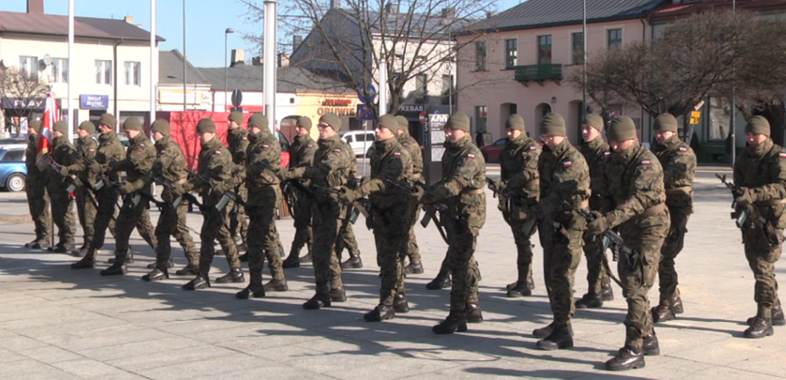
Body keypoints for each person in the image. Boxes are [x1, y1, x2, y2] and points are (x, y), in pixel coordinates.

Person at [586, 115, 669, 371]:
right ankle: (648, 337)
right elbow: (610, 194)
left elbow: (638, 200)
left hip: (650, 226)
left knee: (635, 286)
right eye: (611, 142)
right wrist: (600, 214)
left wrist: (609, 220)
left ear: (632, 139)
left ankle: (634, 348)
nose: (613, 147)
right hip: (628, 226)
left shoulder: (647, 163)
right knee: (631, 282)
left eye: (618, 142)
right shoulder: (612, 161)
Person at [340, 115, 413, 321]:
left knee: (390, 258)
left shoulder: (399, 154)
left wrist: (358, 192)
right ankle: (399, 297)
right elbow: (374, 178)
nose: (377, 130)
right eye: (377, 127)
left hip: (397, 212)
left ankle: (386, 304)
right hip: (381, 210)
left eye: (382, 128)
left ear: (392, 131)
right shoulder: (377, 151)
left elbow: (385, 181)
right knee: (387, 258)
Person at [279, 113, 354, 309]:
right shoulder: (322, 149)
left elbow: (321, 170)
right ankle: (334, 288)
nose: (321, 129)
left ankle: (324, 292)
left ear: (335, 129)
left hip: (333, 205)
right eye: (320, 125)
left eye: (325, 126)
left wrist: (292, 173)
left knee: (323, 249)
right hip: (320, 203)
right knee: (325, 249)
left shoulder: (339, 150)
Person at [420, 112, 485, 334]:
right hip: (454, 210)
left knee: (459, 261)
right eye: (446, 129)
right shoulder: (452, 150)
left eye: (452, 130)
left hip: (469, 213)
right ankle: (471, 305)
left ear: (465, 131)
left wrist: (427, 196)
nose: (448, 132)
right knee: (464, 259)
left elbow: (456, 183)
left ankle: (457, 314)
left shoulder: (471, 155)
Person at [530, 113, 590, 350]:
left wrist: (537, 210)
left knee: (563, 276)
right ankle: (558, 321)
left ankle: (564, 331)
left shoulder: (571, 159)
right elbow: (543, 187)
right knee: (550, 275)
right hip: (551, 222)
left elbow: (560, 195)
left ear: (562, 134)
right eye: (544, 136)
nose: (548, 140)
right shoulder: (547, 155)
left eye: (551, 136)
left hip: (570, 224)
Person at [732, 116, 786, 338]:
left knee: (763, 265)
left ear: (766, 134)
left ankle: (764, 317)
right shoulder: (744, 157)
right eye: (748, 135)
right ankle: (775, 308)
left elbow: (782, 187)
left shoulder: (779, 156)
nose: (752, 139)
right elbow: (739, 183)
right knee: (755, 263)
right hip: (751, 218)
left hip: (772, 219)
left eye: (755, 135)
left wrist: (753, 193)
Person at [182, 118, 244, 290]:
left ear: (211, 133)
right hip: (212, 199)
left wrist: (185, 187)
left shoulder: (218, 152)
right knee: (223, 234)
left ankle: (203, 275)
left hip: (221, 200)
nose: (199, 137)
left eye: (202, 133)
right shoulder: (206, 150)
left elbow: (208, 176)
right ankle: (236, 270)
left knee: (207, 236)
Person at [236, 113, 288, 298]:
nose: (249, 129)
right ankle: (278, 278)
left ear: (262, 127)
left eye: (253, 126)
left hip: (266, 195)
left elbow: (257, 165)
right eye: (249, 125)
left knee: (255, 238)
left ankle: (255, 284)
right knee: (268, 237)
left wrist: (236, 176)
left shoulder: (268, 143)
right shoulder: (253, 143)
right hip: (256, 194)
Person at [651, 113, 696, 322]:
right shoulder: (656, 151)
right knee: (661, 255)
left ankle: (667, 303)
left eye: (663, 132)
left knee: (665, 254)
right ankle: (673, 297)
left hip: (676, 210)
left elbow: (668, 175)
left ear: (673, 131)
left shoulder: (682, 152)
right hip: (659, 209)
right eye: (657, 132)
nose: (660, 135)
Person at [100, 117, 159, 276]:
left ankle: (120, 262)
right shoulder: (135, 144)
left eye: (128, 131)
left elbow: (131, 162)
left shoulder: (142, 146)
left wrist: (111, 165)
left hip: (138, 191)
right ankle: (163, 257)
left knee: (121, 227)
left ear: (137, 129)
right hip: (134, 191)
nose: (126, 133)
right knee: (144, 227)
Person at [142, 119, 199, 281]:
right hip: (171, 194)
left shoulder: (169, 148)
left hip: (177, 195)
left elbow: (159, 165)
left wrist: (144, 168)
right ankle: (191, 263)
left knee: (170, 230)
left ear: (163, 132)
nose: (153, 134)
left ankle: (165, 266)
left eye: (156, 132)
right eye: (152, 132)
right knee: (173, 230)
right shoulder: (161, 147)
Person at [495, 114, 540, 298]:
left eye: (513, 130)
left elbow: (529, 173)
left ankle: (524, 282)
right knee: (520, 240)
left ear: (521, 129)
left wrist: (506, 184)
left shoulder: (530, 148)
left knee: (523, 240)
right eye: (507, 130)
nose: (510, 133)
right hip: (515, 200)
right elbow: (504, 173)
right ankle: (525, 277)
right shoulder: (507, 149)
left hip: (530, 201)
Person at [576, 113, 614, 308]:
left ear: (598, 131)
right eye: (583, 128)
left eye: (588, 128)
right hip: (585, 207)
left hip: (597, 208)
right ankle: (604, 286)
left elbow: (605, 182)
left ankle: (595, 293)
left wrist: (583, 185)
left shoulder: (604, 153)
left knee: (593, 249)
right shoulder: (583, 150)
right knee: (594, 249)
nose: (584, 131)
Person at [282, 116, 317, 268]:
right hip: (296, 188)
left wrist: (288, 174)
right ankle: (312, 250)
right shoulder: (296, 144)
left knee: (302, 223)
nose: (297, 129)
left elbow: (305, 168)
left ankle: (294, 255)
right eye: (297, 126)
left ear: (308, 129)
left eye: (301, 127)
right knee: (304, 222)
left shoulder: (310, 146)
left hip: (306, 189)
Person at [63, 121, 99, 257]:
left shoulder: (91, 146)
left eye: (81, 129)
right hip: (80, 185)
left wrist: (70, 169)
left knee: (89, 218)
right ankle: (86, 243)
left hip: (88, 186)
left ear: (88, 131)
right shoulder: (80, 145)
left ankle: (90, 245)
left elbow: (87, 166)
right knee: (83, 217)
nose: (78, 131)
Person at [395, 115, 424, 275]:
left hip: (410, 189)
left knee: (406, 226)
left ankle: (414, 261)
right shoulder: (400, 143)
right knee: (403, 226)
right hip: (403, 189)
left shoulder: (407, 145)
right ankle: (413, 260)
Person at [44, 120, 77, 253]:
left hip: (63, 185)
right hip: (55, 186)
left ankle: (69, 240)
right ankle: (62, 240)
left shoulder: (65, 147)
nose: (52, 132)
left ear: (61, 131)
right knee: (57, 214)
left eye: (55, 130)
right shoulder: (55, 147)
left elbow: (70, 167)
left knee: (66, 214)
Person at [24, 120, 51, 249]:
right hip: (32, 181)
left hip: (39, 181)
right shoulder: (31, 142)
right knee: (34, 210)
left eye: (30, 127)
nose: (28, 129)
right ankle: (39, 235)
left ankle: (45, 236)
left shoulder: (38, 143)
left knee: (41, 209)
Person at [226, 111, 250, 253]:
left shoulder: (243, 137)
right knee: (236, 212)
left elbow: (241, 156)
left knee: (238, 211)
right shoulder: (231, 134)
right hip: (233, 175)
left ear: (238, 122)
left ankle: (233, 241)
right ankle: (244, 240)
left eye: (231, 120)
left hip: (241, 177)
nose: (229, 122)